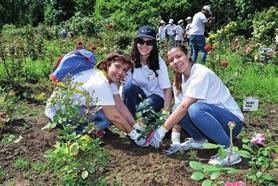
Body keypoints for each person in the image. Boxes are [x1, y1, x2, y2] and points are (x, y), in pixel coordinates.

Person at [149, 45, 244, 166]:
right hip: (210, 126)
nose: (176, 62)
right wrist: (175, 140)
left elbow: (184, 108)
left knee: (194, 108)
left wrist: (162, 130)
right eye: (171, 60)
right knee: (176, 109)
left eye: (178, 56)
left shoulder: (200, 73)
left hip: (231, 124)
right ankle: (200, 140)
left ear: (188, 55)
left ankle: (229, 152)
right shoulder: (178, 81)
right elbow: (178, 111)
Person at [45, 52, 147, 146]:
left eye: (124, 70)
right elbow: (114, 116)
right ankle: (75, 133)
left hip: (66, 107)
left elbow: (120, 105)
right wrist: (134, 135)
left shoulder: (107, 77)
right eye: (117, 66)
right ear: (108, 65)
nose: (120, 72)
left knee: (109, 110)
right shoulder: (100, 82)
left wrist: (136, 126)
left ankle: (82, 128)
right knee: (107, 118)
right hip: (59, 113)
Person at [123, 25, 172, 121]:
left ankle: (139, 116)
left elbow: (167, 90)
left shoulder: (159, 62)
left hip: (156, 96)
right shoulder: (130, 61)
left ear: (153, 45)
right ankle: (132, 122)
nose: (144, 46)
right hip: (138, 95)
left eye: (149, 42)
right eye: (141, 41)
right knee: (128, 87)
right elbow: (126, 87)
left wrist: (166, 113)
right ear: (136, 43)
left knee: (142, 111)